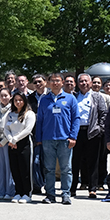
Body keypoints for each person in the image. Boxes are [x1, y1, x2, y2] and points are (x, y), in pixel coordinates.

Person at [36, 73, 79, 205]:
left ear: (62, 82)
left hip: (65, 139)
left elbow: (75, 119)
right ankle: (50, 194)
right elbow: (40, 120)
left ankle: (66, 194)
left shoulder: (70, 98)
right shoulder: (44, 100)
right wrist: (39, 138)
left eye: (57, 81)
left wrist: (73, 136)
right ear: (48, 83)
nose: (55, 83)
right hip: (48, 139)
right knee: (49, 169)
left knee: (66, 168)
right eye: (52, 81)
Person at [71, 73, 107, 199]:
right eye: (81, 81)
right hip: (76, 133)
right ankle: (72, 188)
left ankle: (93, 188)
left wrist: (100, 129)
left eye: (86, 81)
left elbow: (103, 113)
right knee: (75, 161)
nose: (84, 83)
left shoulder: (97, 96)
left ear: (91, 83)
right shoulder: (73, 96)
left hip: (92, 133)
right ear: (77, 83)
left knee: (93, 161)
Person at [5, 93, 36, 204]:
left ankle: (27, 193)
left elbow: (28, 130)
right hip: (12, 144)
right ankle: (18, 192)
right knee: (15, 169)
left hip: (24, 143)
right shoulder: (10, 114)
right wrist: (10, 139)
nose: (18, 102)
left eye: (20, 100)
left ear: (24, 101)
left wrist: (15, 139)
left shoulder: (29, 114)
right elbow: (6, 128)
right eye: (16, 100)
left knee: (25, 169)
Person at [0, 86, 15, 200]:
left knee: (9, 166)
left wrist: (5, 140)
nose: (4, 98)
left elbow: (13, 127)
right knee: (0, 166)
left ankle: (10, 191)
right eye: (1, 96)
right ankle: (0, 191)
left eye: (6, 95)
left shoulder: (13, 110)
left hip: (9, 142)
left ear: (10, 97)